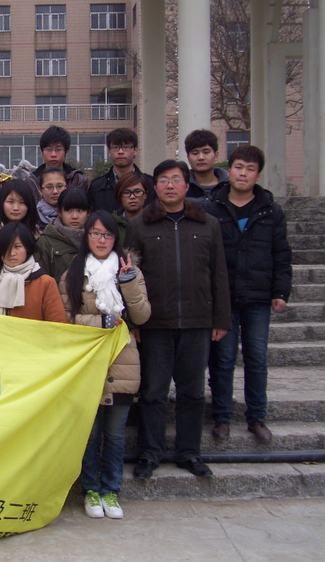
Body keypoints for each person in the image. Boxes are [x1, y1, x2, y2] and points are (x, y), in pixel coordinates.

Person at [124, 160, 231, 480]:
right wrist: (134, 322)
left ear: (187, 185)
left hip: (198, 321)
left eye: (175, 179)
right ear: (154, 187)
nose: (169, 185)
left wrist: (221, 318)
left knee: (193, 393)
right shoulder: (140, 225)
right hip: (155, 324)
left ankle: (189, 452)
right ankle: (150, 452)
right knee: (153, 392)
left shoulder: (208, 224)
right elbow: (130, 279)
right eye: (163, 180)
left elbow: (219, 273)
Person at [60, 211, 150, 519]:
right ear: (86, 236)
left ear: (116, 239)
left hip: (123, 362)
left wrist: (129, 282)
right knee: (89, 434)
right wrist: (102, 322)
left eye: (107, 234)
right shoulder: (73, 273)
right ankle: (90, 490)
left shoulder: (129, 272)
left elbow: (142, 316)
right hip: (87, 363)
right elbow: (65, 320)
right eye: (95, 233)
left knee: (114, 435)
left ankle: (111, 491)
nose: (101, 240)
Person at [204, 145, 292, 443]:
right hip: (224, 297)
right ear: (229, 170)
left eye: (250, 169)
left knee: (256, 358)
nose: (243, 173)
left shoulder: (270, 211)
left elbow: (281, 254)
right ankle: (222, 417)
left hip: (258, 297)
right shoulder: (212, 208)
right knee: (223, 359)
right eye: (239, 167)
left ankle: (256, 417)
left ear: (258, 175)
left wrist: (281, 291)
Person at [0, 222, 66, 322]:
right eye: (5, 248)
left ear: (28, 247)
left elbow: (58, 324)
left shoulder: (45, 283)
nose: (12, 253)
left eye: (17, 246)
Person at [89, 128, 155, 213]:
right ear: (109, 151)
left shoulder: (150, 184)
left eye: (126, 147)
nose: (120, 152)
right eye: (115, 147)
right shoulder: (97, 187)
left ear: (135, 150)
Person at [36, 187, 90, 283]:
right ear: (59, 212)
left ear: (88, 213)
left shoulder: (96, 238)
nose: (74, 216)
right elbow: (40, 281)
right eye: (68, 210)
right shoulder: (46, 242)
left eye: (80, 210)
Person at [29, 126, 89, 193]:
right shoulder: (31, 182)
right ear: (41, 151)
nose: (53, 154)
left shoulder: (77, 180)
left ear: (66, 151)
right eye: (49, 149)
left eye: (58, 149)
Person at [184, 129, 229, 201]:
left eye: (206, 152)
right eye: (195, 153)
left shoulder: (230, 186)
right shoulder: (181, 187)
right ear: (188, 158)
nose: (201, 157)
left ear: (216, 155)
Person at [113, 171, 151, 245]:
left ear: (145, 194)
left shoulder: (155, 223)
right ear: (119, 196)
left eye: (137, 192)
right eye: (126, 192)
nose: (132, 196)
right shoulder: (111, 224)